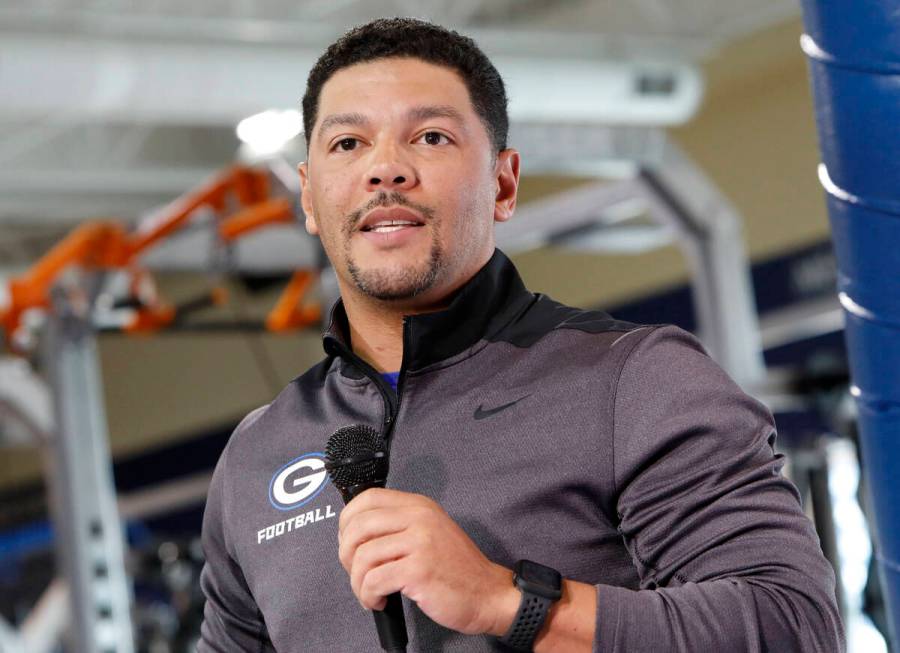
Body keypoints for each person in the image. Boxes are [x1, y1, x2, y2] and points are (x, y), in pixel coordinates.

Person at [198, 17, 843, 652]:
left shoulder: (634, 378)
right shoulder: (257, 454)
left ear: (503, 183)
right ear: (310, 199)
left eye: (430, 137)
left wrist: (505, 601)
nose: (385, 169)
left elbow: (792, 627)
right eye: (348, 144)